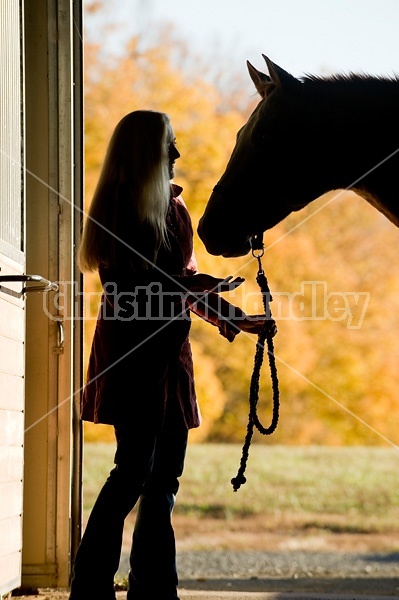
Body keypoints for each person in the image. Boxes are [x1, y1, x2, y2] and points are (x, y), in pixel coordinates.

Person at [69, 109, 267, 600]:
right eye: (168, 145)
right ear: (145, 153)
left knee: (162, 479)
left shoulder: (174, 211)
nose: (177, 155)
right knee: (135, 471)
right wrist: (213, 297)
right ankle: (94, 586)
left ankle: (152, 588)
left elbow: (177, 287)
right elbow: (136, 290)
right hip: (134, 361)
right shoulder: (121, 211)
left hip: (169, 361)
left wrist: (235, 317)